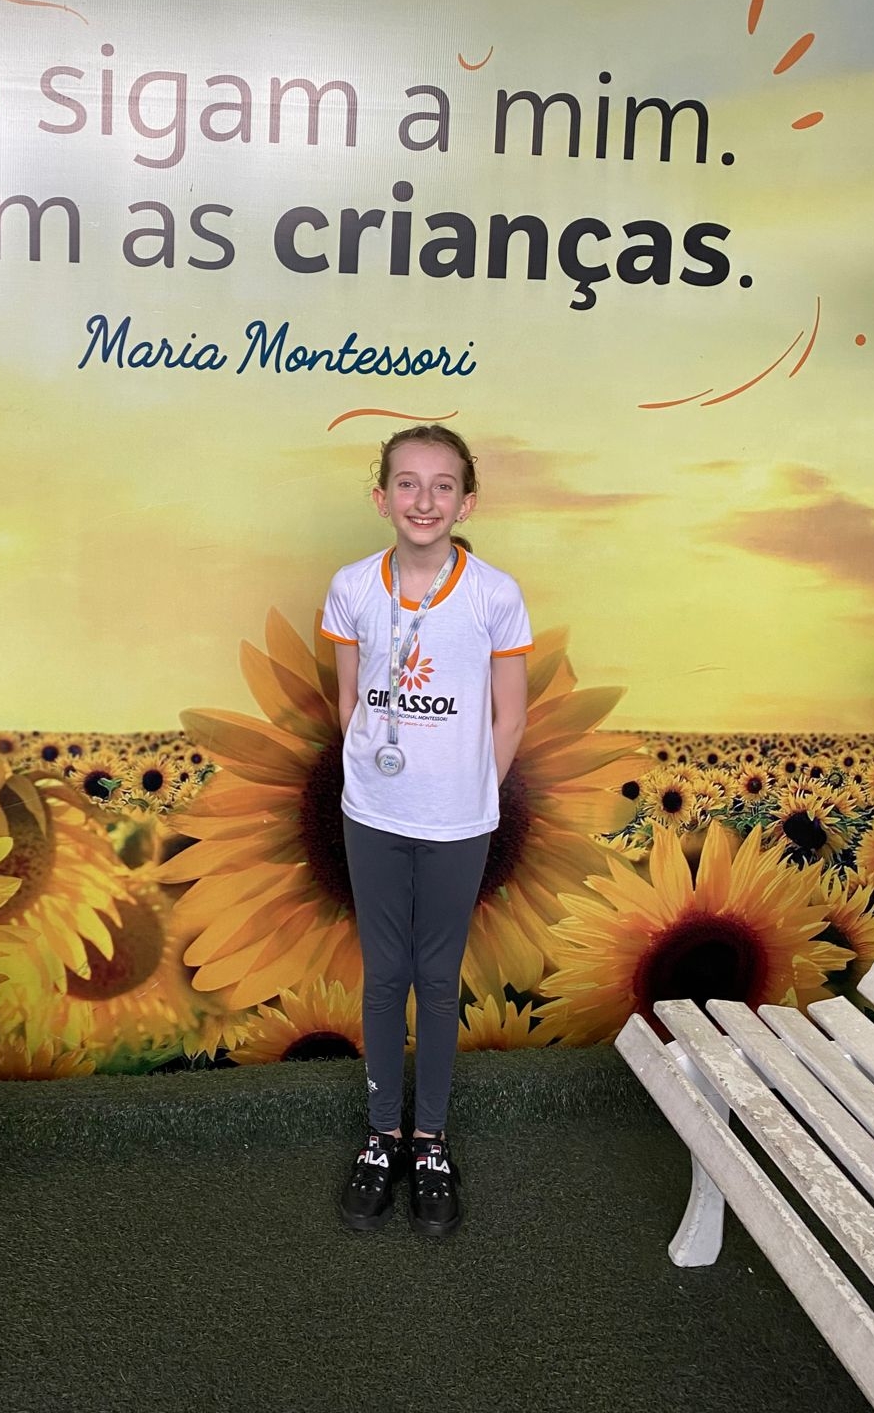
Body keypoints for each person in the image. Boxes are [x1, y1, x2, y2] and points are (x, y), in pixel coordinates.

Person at [320, 424, 531, 1236]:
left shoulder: (494, 595)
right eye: (407, 483)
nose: (424, 500)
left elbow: (510, 716)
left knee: (438, 978)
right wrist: (376, 772)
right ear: (382, 497)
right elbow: (350, 700)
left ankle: (430, 1141)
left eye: (444, 485)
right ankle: (382, 1138)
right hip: (373, 813)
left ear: (466, 503)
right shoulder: (351, 587)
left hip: (457, 821)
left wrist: (468, 793)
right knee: (384, 976)